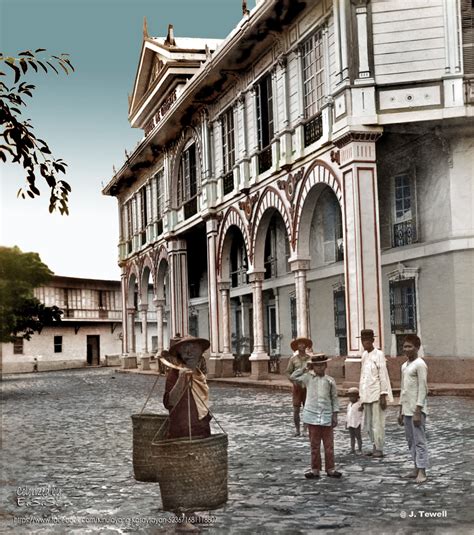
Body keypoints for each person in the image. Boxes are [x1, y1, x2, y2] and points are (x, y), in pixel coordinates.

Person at [291, 354, 341, 479]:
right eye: (317, 366)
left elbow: (334, 398)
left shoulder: (330, 381)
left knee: (329, 446)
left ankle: (330, 468)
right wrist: (305, 368)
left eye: (322, 365)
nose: (319, 368)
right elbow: (293, 377)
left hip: (326, 416)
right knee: (314, 445)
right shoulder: (308, 378)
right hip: (312, 416)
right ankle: (315, 469)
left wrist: (335, 415)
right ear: (313, 366)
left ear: (325, 366)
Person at [162, 336, 212, 440]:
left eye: (195, 350)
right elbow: (169, 403)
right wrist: (181, 379)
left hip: (202, 432)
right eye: (186, 351)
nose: (191, 355)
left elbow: (202, 405)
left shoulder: (199, 375)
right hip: (182, 434)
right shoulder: (175, 374)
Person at [397, 334, 429, 484]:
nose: (407, 349)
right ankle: (415, 467)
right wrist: (400, 411)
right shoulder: (404, 366)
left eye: (410, 346)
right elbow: (403, 389)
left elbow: (423, 388)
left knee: (419, 440)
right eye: (405, 346)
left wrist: (418, 410)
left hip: (417, 409)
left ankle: (422, 470)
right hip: (406, 409)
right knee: (410, 440)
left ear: (417, 348)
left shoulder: (420, 364)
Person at [358, 329, 393, 458]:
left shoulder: (379, 354)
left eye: (367, 340)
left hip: (377, 393)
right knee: (368, 423)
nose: (365, 343)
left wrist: (383, 394)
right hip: (366, 393)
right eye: (363, 341)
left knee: (378, 422)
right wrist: (361, 397)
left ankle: (379, 447)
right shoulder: (364, 356)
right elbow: (363, 377)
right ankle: (373, 445)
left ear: (372, 340)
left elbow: (383, 375)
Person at [286, 337, 312, 437]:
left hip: (307, 387)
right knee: (296, 409)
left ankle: (305, 429)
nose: (301, 346)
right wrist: (293, 381)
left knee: (307, 408)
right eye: (299, 344)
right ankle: (297, 430)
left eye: (303, 344)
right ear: (296, 347)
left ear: (306, 346)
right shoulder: (293, 359)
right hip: (297, 388)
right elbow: (288, 372)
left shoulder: (310, 359)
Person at [346, 387, 363, 454]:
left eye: (353, 396)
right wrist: (346, 422)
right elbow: (348, 414)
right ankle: (352, 449)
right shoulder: (349, 405)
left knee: (358, 436)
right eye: (350, 397)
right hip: (350, 422)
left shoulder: (360, 404)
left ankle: (359, 448)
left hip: (357, 422)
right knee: (352, 436)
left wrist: (362, 406)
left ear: (357, 396)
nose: (351, 398)